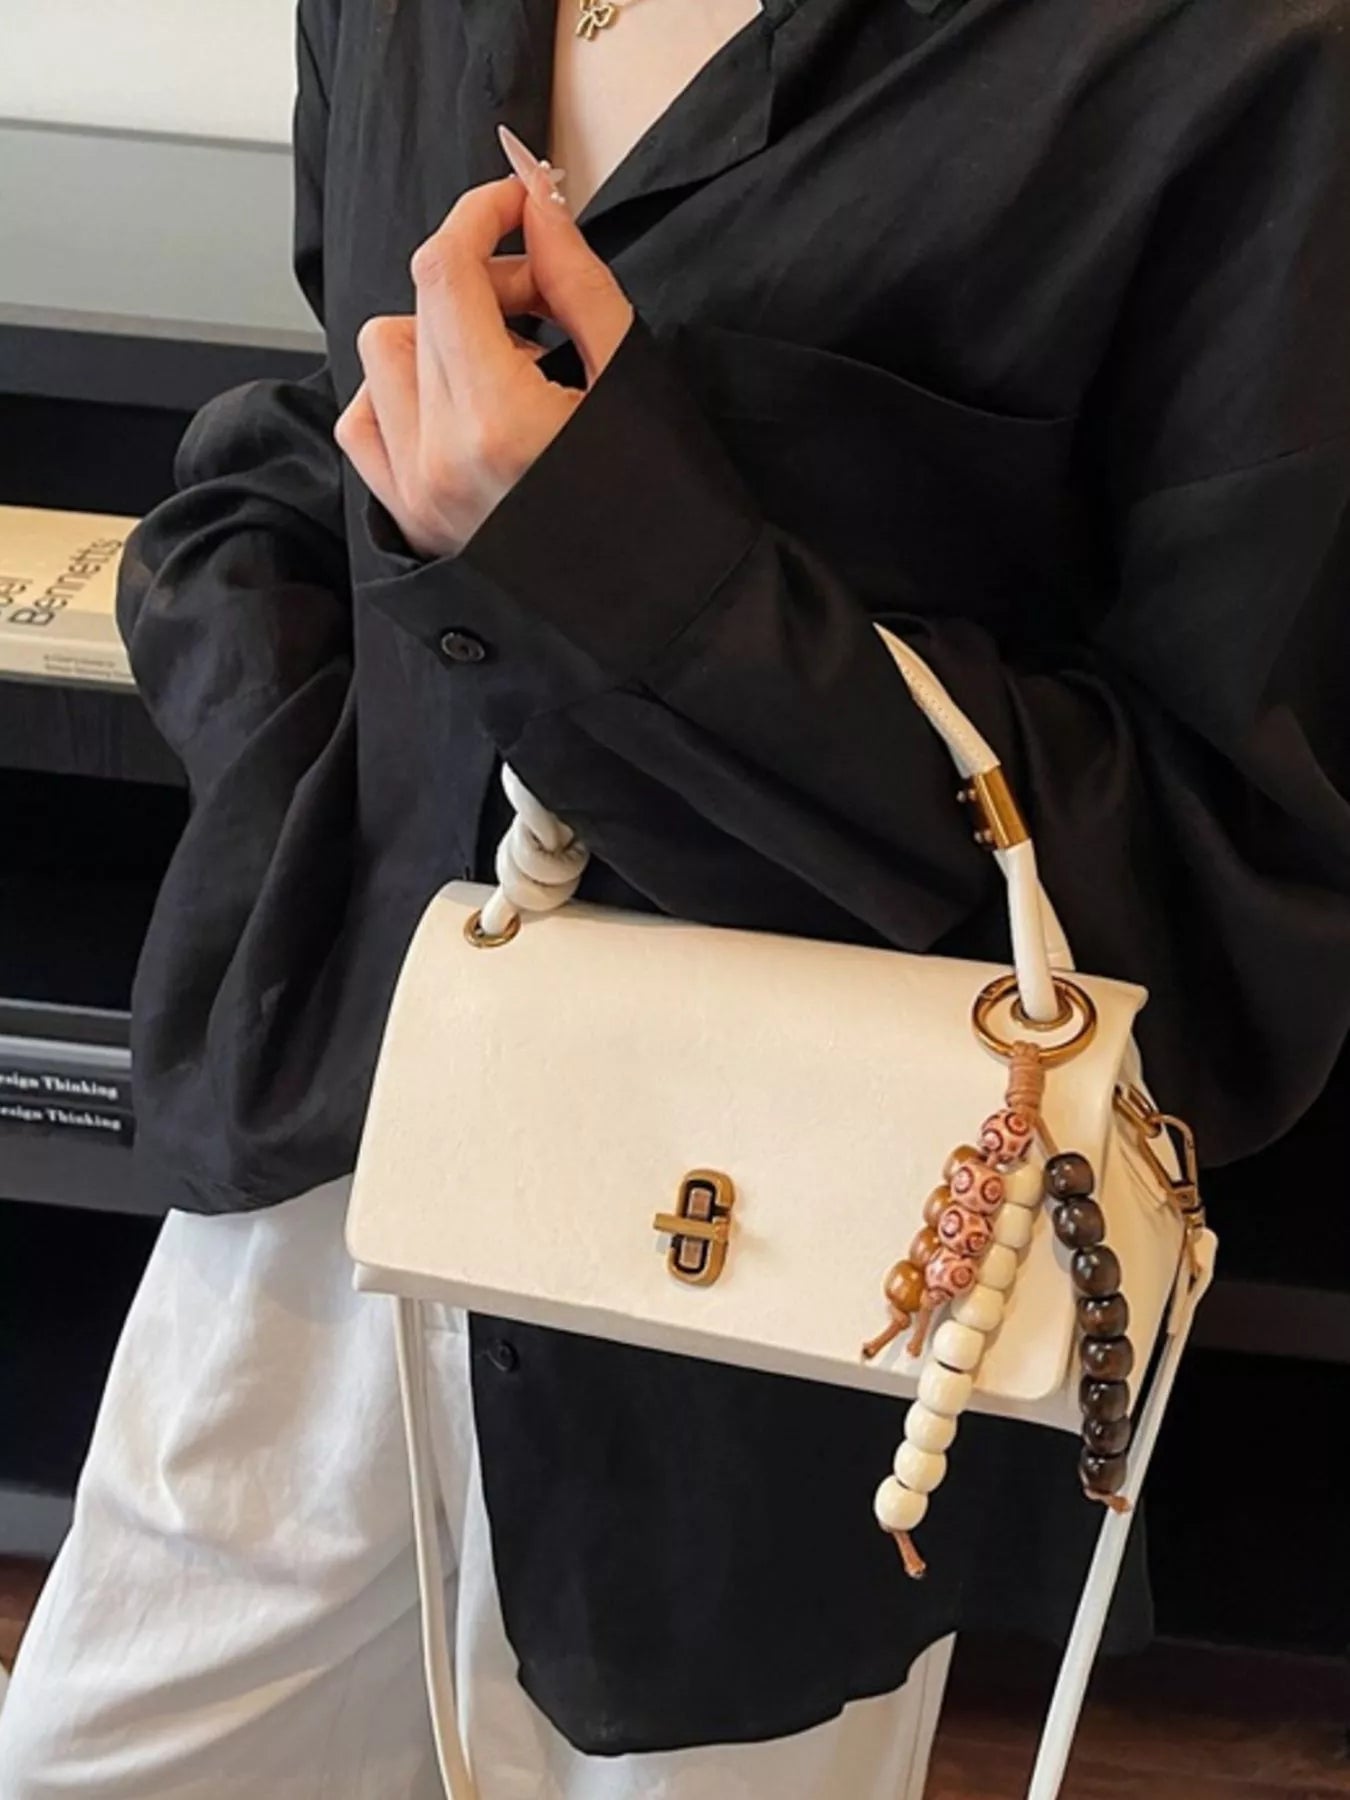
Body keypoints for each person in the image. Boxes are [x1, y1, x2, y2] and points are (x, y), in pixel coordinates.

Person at [3, 0, 1350, 1793]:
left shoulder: (1243, 66)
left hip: (790, 1313)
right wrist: (286, 750)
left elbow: (1230, 901)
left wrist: (628, 563)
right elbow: (333, 415)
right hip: (332, 1142)